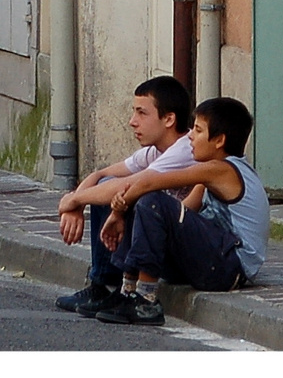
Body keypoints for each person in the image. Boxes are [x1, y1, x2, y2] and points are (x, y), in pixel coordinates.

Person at [89, 97, 272, 326]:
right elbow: (182, 213)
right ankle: (127, 291)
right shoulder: (209, 176)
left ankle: (146, 299)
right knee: (148, 207)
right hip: (212, 261)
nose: (189, 137)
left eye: (197, 130)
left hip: (229, 267)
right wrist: (134, 214)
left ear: (219, 140)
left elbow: (151, 183)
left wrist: (117, 212)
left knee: (152, 200)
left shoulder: (223, 169)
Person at [52, 76, 198, 316]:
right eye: (133, 112)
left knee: (120, 192)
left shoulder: (184, 151)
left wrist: (76, 199)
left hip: (181, 250)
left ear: (169, 119)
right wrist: (76, 203)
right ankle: (103, 285)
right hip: (160, 244)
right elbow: (102, 174)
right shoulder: (154, 151)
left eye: (142, 113)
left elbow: (131, 184)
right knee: (108, 186)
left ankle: (113, 286)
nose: (132, 122)